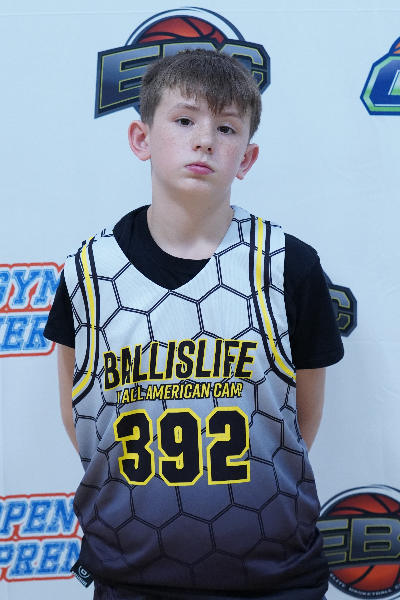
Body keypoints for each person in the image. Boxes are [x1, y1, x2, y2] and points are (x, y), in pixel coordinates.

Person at [44, 49, 343, 600]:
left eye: (226, 128)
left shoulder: (289, 266)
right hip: (131, 578)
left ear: (246, 157)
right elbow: (80, 417)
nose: (204, 140)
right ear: (141, 138)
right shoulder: (87, 273)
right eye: (184, 120)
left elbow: (301, 421)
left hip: (274, 579)